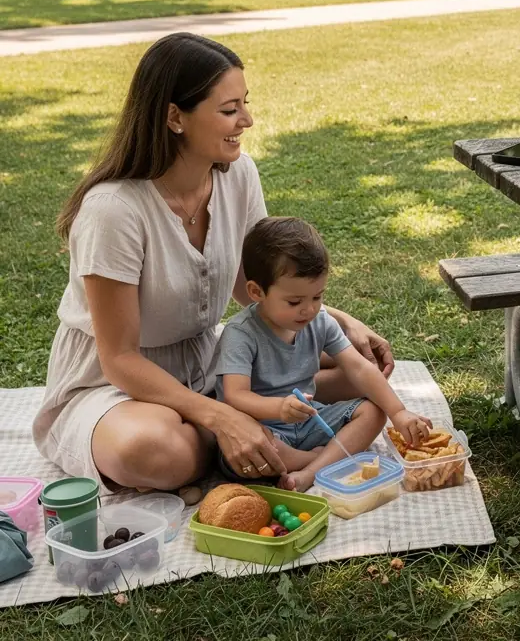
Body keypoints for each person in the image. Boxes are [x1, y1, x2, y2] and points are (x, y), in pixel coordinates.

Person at [33, 32, 396, 493]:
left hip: (207, 364)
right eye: (229, 110)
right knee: (156, 450)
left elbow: (257, 288)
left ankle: (256, 442)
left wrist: (344, 324)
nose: (247, 119)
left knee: (362, 368)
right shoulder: (113, 211)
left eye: (244, 104)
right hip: (114, 385)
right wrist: (222, 415)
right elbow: (119, 358)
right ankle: (255, 442)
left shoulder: (238, 175)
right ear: (174, 117)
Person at [216, 216, 433, 491]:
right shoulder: (241, 333)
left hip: (308, 420)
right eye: (295, 301)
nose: (309, 309)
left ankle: (309, 472)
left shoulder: (319, 320)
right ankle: (317, 459)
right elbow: (235, 396)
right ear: (256, 292)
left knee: (373, 411)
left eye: (317, 297)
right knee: (248, 452)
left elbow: (359, 367)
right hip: (260, 428)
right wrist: (279, 409)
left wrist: (398, 412)